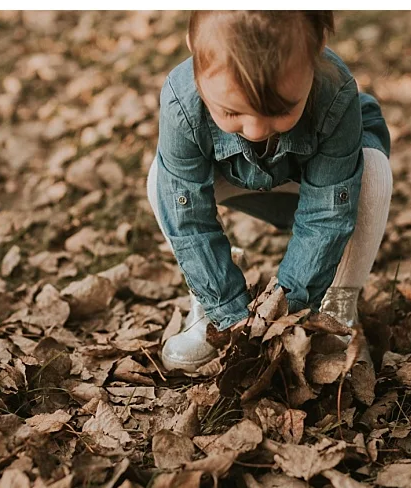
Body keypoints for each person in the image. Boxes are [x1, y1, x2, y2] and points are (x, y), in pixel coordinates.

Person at [145, 11, 392, 372]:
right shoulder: (181, 101)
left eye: (280, 110)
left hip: (318, 182)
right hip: (229, 175)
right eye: (231, 112)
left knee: (372, 170)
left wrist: (285, 313)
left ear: (316, 51)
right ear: (194, 51)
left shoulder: (335, 91)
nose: (256, 130)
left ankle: (337, 308)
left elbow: (327, 215)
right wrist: (230, 315)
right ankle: (206, 302)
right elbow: (188, 218)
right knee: (161, 181)